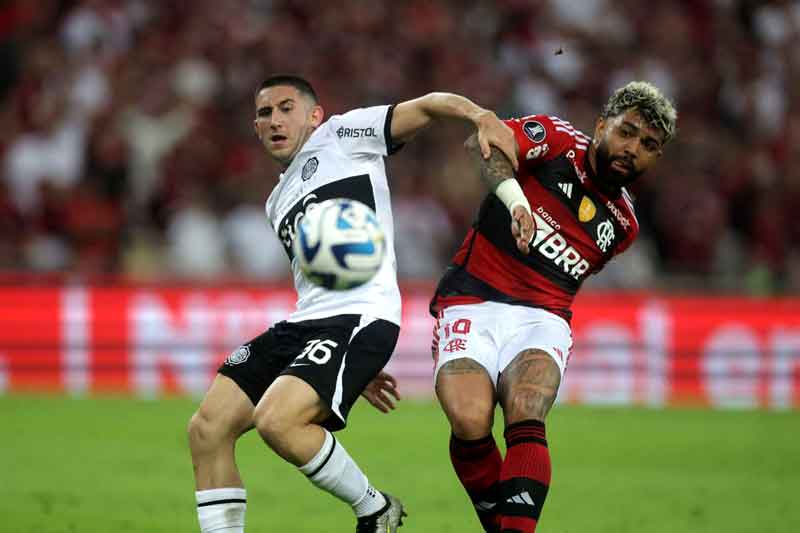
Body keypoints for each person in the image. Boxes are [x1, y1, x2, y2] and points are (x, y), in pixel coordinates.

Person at [187, 74, 518, 533]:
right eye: (265, 113)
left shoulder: (342, 135)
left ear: (314, 115)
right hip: (310, 323)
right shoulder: (275, 202)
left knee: (277, 422)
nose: (275, 120)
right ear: (256, 127)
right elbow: (316, 280)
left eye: (286, 108)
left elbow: (426, 104)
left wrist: (479, 116)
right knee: (207, 429)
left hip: (360, 314)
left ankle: (374, 508)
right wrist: (347, 368)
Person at [430, 81, 677, 533]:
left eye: (648, 145)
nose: (632, 149)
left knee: (526, 405)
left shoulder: (624, 226)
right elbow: (484, 143)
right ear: (602, 126)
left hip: (542, 317)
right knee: (468, 419)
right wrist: (518, 202)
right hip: (473, 295)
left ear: (656, 158)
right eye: (626, 132)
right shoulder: (557, 139)